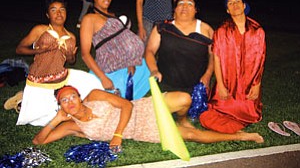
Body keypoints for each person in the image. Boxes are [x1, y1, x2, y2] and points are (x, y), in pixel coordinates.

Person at [32, 85, 264, 147]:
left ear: (80, 97)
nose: (70, 102)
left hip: (142, 108)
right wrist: (56, 119)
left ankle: (182, 117)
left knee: (185, 99)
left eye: (72, 96)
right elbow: (38, 141)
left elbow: (126, 106)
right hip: (143, 130)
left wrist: (117, 134)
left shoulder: (94, 95)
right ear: (61, 106)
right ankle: (243, 137)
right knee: (194, 135)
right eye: (64, 100)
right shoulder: (73, 126)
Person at [14, 0, 103, 126]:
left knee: (92, 82)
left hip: (61, 77)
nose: (58, 13)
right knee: (43, 121)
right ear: (47, 14)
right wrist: (39, 50)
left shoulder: (71, 36)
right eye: (53, 10)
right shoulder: (40, 30)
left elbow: (71, 61)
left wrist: (70, 55)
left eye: (62, 9)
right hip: (39, 80)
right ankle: (21, 99)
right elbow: (19, 49)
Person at [200, 0, 266, 134]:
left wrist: (257, 84)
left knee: (250, 114)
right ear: (227, 10)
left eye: (237, 1)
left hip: (249, 85)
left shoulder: (257, 30)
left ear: (244, 6)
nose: (235, 4)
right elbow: (216, 58)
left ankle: (234, 124)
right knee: (208, 116)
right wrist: (221, 86)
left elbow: (261, 58)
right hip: (228, 84)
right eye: (230, 3)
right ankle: (232, 125)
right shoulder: (222, 31)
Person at [80, 0, 150, 99]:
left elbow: (122, 41)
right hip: (108, 68)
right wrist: (103, 78)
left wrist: (131, 62)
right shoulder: (89, 19)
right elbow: (85, 54)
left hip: (126, 64)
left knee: (148, 68)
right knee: (115, 96)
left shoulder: (112, 15)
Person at [145, 0, 214, 94]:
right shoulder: (163, 27)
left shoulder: (206, 29)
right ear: (175, 9)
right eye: (181, 3)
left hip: (196, 85)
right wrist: (154, 70)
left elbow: (214, 55)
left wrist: (208, 74)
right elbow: (150, 50)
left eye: (190, 4)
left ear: (196, 10)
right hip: (164, 83)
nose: (184, 6)